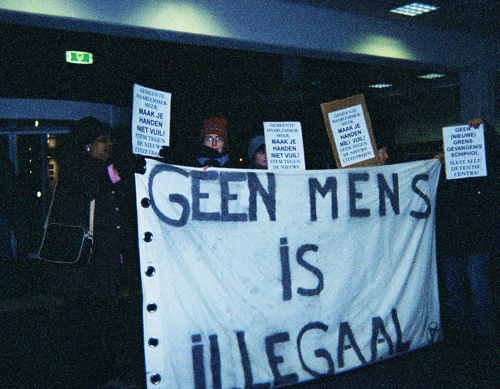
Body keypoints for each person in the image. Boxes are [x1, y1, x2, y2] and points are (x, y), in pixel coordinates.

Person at [47, 116, 144, 386]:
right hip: (85, 267)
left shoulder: (105, 170)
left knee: (108, 321)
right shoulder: (76, 170)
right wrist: (117, 170)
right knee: (89, 324)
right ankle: (91, 375)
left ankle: (105, 372)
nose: (109, 145)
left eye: (110, 140)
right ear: (87, 145)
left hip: (108, 264)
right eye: (103, 141)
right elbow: (93, 184)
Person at [436, 118, 500, 342]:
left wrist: (486, 129)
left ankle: (482, 333)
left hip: (476, 239)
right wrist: (435, 165)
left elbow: (495, 150)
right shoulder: (441, 175)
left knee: (478, 287)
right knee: (455, 289)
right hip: (453, 240)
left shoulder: (482, 172)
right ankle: (460, 332)